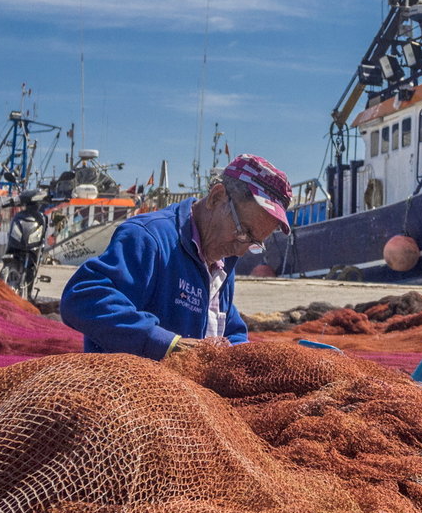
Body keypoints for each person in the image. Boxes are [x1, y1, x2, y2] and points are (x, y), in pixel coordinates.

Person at [60, 153, 291, 359]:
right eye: (243, 232)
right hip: (125, 395)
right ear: (216, 197)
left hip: (187, 399)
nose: (242, 250)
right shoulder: (148, 238)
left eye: (254, 242)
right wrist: (166, 344)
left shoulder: (222, 259)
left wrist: (241, 357)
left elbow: (229, 328)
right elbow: (82, 298)